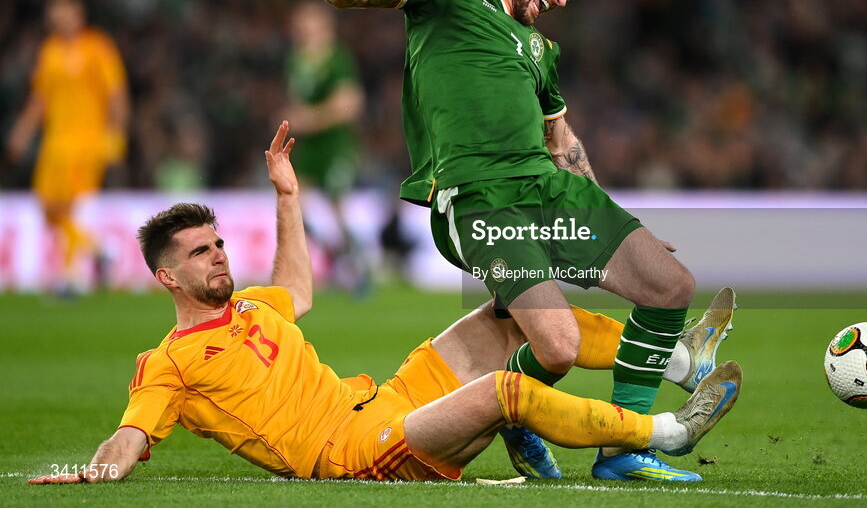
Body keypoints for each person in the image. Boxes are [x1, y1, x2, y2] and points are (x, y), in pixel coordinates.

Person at [27, 122, 742, 485]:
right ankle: (667, 434)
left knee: (503, 316)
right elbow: (131, 435)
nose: (218, 255)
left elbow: (299, 288)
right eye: (199, 252)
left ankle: (681, 359)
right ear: (167, 279)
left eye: (217, 243)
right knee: (502, 389)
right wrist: (99, 468)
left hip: (380, 403)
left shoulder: (252, 308)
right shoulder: (168, 364)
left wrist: (287, 195)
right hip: (349, 452)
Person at [323, 0, 736, 480]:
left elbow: (562, 142)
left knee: (670, 286)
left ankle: (622, 454)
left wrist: (612, 219)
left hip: (547, 188)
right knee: (558, 348)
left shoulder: (541, 48)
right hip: (479, 198)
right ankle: (514, 412)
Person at [6, 0, 130, 295]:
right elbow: (40, 99)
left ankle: (70, 278)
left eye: (65, 11)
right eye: (54, 12)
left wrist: (116, 137)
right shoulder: (49, 51)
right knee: (48, 208)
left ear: (79, 13)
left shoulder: (97, 47)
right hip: (54, 143)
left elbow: (116, 94)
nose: (59, 17)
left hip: (87, 142)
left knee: (71, 209)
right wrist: (22, 132)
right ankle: (100, 251)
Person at [282, 1, 369, 293]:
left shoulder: (337, 59)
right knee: (294, 204)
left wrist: (310, 119)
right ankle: (335, 257)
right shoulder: (296, 60)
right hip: (306, 147)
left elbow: (350, 104)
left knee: (337, 208)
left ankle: (359, 268)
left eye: (308, 22)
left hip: (335, 146)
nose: (302, 28)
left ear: (323, 25)